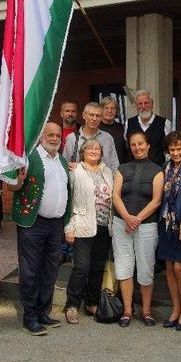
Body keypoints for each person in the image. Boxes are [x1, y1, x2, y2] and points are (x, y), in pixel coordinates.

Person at [8, 122, 72, 335]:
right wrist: (19, 180)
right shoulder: (29, 158)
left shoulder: (62, 160)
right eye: (50, 135)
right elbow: (12, 186)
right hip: (33, 223)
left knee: (50, 271)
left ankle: (43, 312)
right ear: (42, 136)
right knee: (31, 271)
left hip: (56, 225)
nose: (55, 138)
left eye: (58, 135)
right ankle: (30, 317)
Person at [112, 131, 164, 327]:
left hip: (146, 225)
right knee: (123, 266)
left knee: (145, 267)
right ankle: (127, 310)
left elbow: (157, 200)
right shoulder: (122, 169)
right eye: (134, 145)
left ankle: (147, 311)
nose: (138, 148)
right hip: (121, 223)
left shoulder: (157, 170)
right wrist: (126, 217)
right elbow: (115, 195)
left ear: (148, 145)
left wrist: (137, 219)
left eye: (141, 144)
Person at [63, 138, 114, 324]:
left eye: (97, 148)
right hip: (82, 224)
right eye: (90, 148)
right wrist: (69, 227)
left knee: (97, 267)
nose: (94, 150)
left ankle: (92, 302)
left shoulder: (107, 172)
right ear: (82, 152)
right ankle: (72, 305)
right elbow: (68, 200)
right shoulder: (75, 170)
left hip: (103, 226)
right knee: (81, 267)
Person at [156, 132, 181, 330]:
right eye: (172, 149)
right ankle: (175, 308)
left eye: (179, 148)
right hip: (165, 224)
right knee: (169, 268)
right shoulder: (166, 167)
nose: (176, 152)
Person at [62, 101, 120, 171]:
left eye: (98, 116)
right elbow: (64, 165)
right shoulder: (72, 138)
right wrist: (69, 166)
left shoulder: (107, 138)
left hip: (104, 180)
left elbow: (114, 165)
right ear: (84, 115)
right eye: (91, 115)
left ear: (101, 118)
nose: (94, 119)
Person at [126, 89, 172, 166]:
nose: (143, 106)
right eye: (140, 104)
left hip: (157, 171)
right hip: (134, 171)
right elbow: (127, 146)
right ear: (136, 106)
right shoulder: (129, 123)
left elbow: (168, 150)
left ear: (152, 104)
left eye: (146, 103)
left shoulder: (164, 123)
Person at [98, 95, 129, 164]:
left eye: (113, 108)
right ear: (100, 110)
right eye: (106, 108)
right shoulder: (96, 128)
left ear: (116, 111)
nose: (109, 111)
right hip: (100, 170)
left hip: (120, 169)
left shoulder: (122, 128)